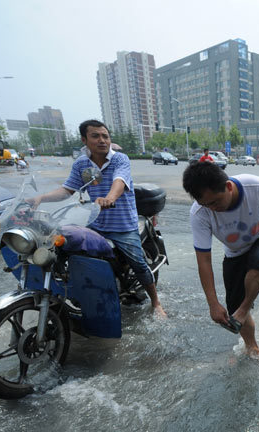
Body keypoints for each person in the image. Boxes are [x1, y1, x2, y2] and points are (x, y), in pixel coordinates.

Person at [29, 119, 167, 317]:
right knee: (67, 250)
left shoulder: (120, 159)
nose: (102, 140)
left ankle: (156, 302)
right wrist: (41, 198)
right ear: (85, 140)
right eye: (96, 136)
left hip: (123, 226)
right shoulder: (81, 164)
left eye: (105, 136)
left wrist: (110, 198)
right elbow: (67, 190)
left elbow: (119, 181)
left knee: (138, 263)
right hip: (96, 223)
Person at [183, 162, 259, 357]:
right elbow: (204, 261)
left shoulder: (258, 187)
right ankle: (251, 345)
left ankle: (244, 308)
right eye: (205, 204)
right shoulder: (199, 213)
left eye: (215, 202)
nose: (212, 209)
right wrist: (213, 304)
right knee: (232, 310)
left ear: (228, 187)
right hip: (234, 251)